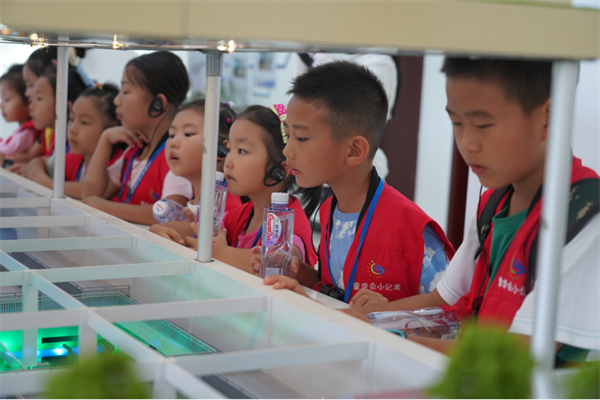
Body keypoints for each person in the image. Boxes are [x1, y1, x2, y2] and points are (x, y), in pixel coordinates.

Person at [337, 58, 600, 363]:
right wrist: (351, 317)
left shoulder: (584, 217)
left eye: (483, 125)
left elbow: (519, 354)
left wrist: (387, 337)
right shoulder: (492, 204)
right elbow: (440, 299)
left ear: (548, 118)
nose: (467, 143)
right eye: (457, 123)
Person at [253, 61, 454, 305]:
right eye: (288, 135)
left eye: (302, 137)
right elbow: (338, 290)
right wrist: (299, 273)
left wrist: (388, 312)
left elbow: (451, 312)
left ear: (354, 151)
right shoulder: (329, 210)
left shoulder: (412, 230)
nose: (288, 150)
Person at [186, 104, 319, 272]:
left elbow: (281, 261)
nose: (228, 162)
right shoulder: (241, 214)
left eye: (242, 151)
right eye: (229, 149)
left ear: (280, 171)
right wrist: (162, 230)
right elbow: (204, 231)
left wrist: (221, 253)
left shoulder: (289, 221)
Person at [82, 51, 191, 225]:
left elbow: (171, 213)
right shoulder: (133, 152)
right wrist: (105, 140)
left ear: (158, 103)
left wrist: (108, 208)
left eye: (125, 91)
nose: (117, 101)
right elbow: (90, 196)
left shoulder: (175, 155)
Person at [149, 99, 243, 243]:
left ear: (221, 148)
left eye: (188, 134)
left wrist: (162, 229)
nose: (173, 143)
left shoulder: (226, 207)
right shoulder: (194, 202)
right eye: (171, 135)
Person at [26, 83, 123, 198]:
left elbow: (90, 190)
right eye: (72, 119)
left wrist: (48, 184)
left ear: (111, 128)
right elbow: (38, 161)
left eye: (84, 122)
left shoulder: (118, 164)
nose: (72, 130)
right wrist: (41, 178)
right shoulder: (77, 159)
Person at [0, 65, 37, 165]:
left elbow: (4, 153)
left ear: (28, 101)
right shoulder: (23, 131)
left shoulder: (28, 132)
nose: (1, 105)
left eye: (7, 99)